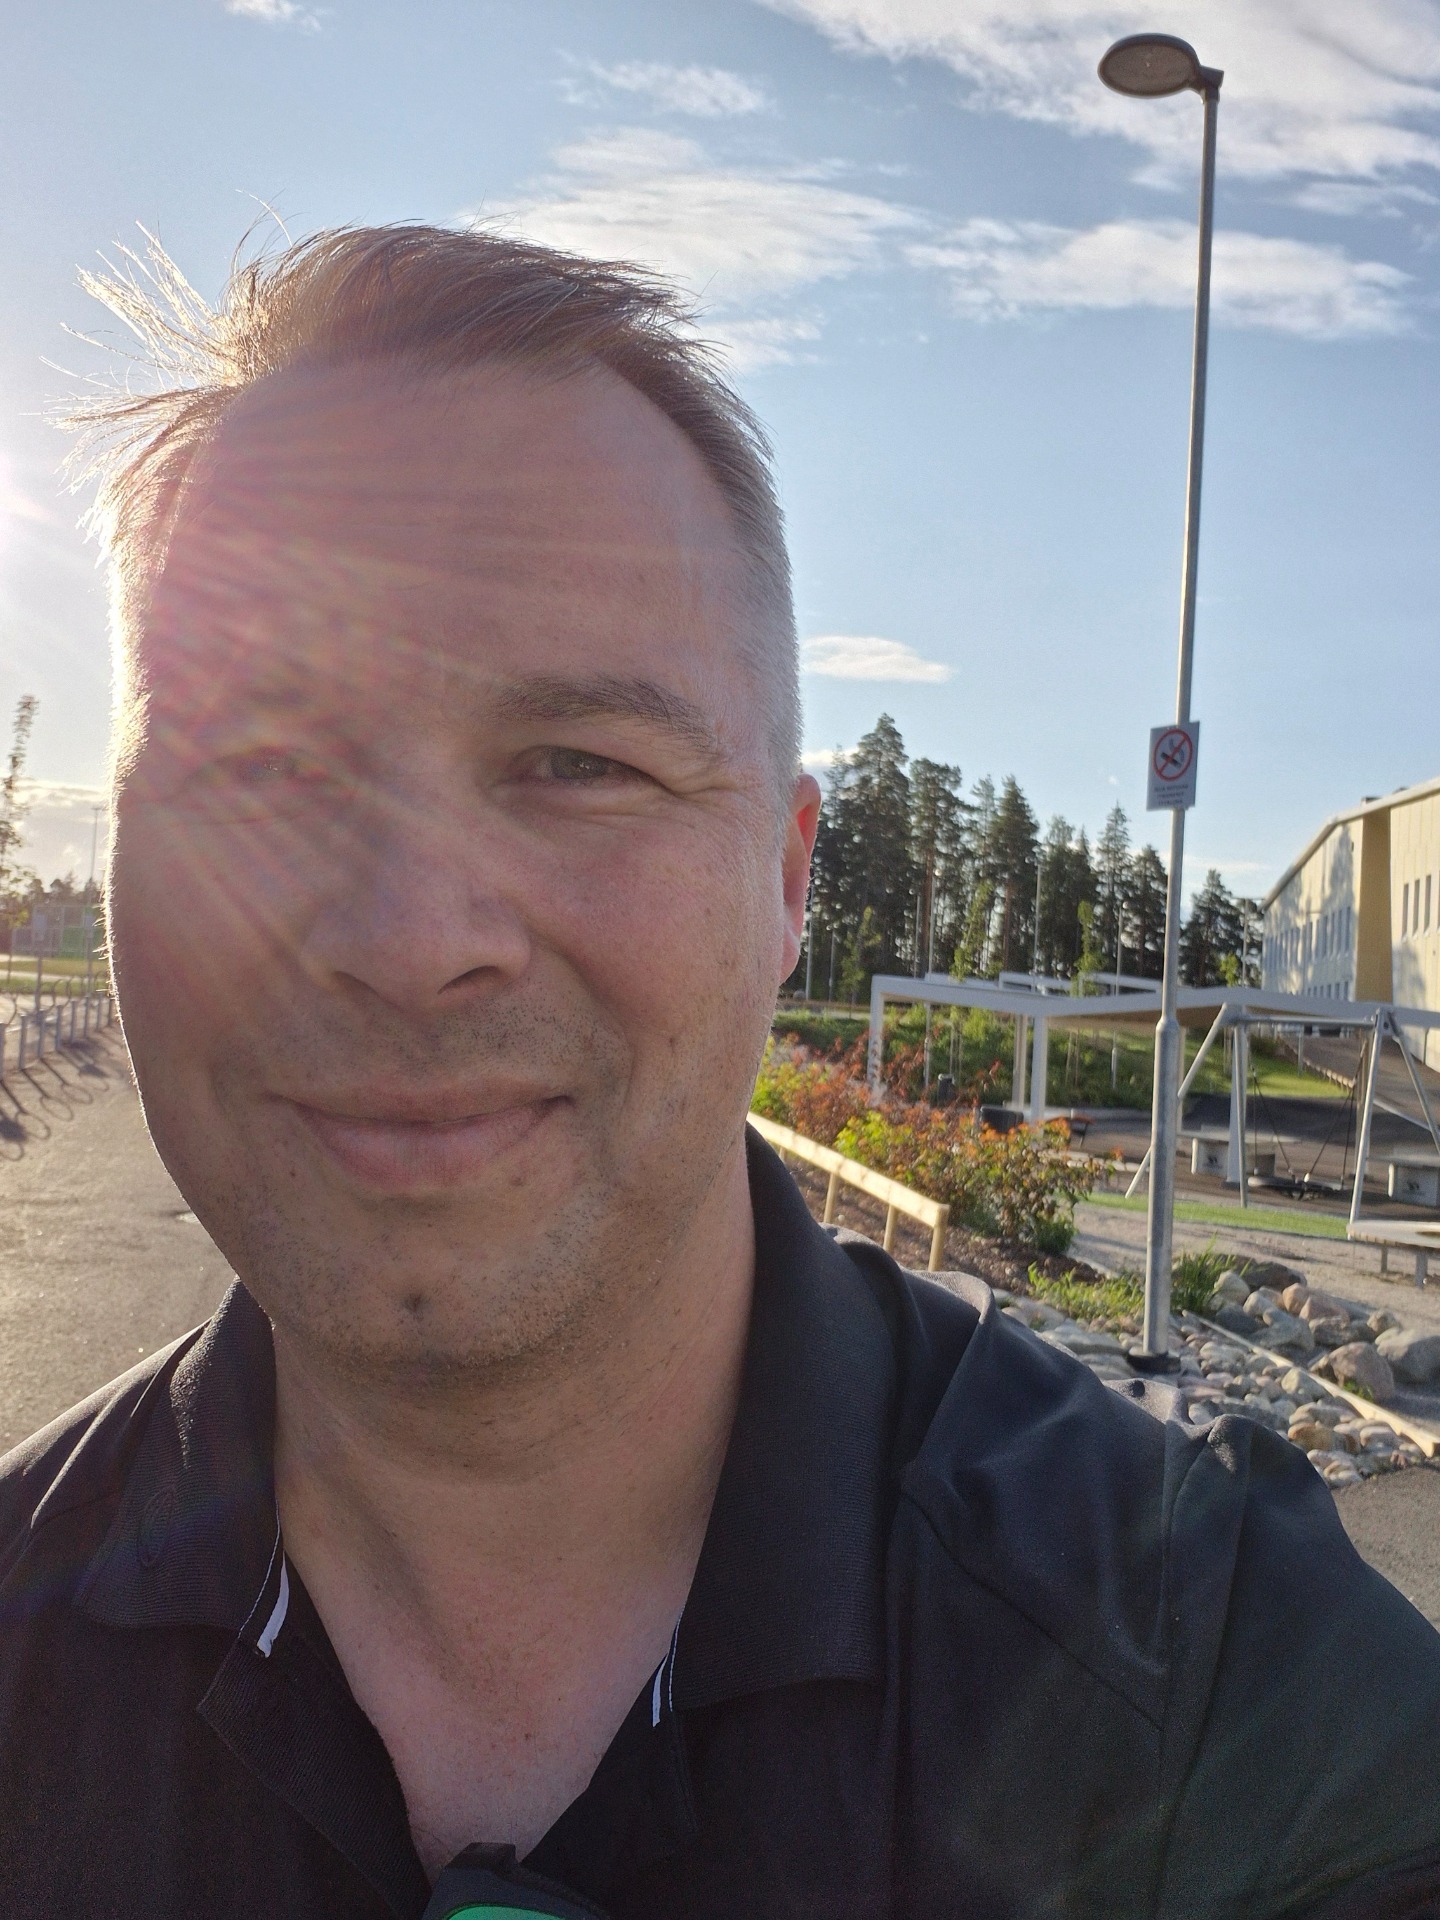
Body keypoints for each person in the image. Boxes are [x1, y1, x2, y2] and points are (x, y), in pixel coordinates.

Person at [1, 224, 1438, 1920]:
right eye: (257, 769)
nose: (409, 937)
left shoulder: (1214, 1686)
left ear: (787, 877)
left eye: (575, 763)